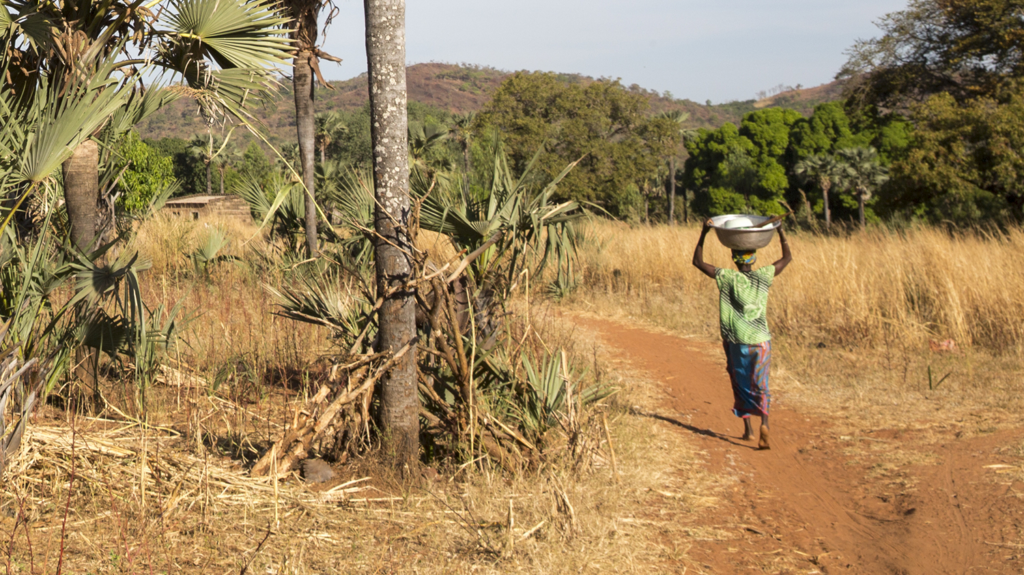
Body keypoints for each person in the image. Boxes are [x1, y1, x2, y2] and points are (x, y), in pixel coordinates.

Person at [692, 218, 792, 450]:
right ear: (753, 258)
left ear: (734, 259)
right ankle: (764, 422)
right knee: (761, 383)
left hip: (737, 340)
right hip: (761, 340)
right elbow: (787, 258)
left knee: (741, 382)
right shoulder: (764, 276)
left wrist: (704, 232)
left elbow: (697, 262)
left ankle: (748, 430)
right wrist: (781, 232)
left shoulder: (727, 277)